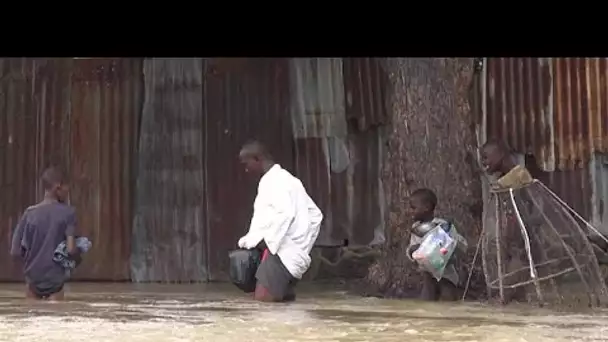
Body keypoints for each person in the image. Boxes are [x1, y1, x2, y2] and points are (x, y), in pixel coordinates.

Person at [237, 140, 323, 302]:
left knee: (263, 309)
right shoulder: (290, 180)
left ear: (257, 159)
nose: (246, 170)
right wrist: (302, 246)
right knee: (283, 312)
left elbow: (284, 214)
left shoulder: (274, 181)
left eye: (246, 164)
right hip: (291, 258)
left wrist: (267, 242)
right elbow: (316, 215)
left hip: (279, 257)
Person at [10, 167, 79, 301]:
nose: (68, 191)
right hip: (55, 280)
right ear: (58, 187)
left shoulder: (29, 213)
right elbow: (71, 250)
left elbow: (15, 251)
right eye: (66, 187)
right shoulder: (69, 213)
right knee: (54, 319)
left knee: (32, 318)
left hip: (33, 279)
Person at [406, 188, 468, 301]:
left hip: (446, 276)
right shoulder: (416, 229)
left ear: (427, 207)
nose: (410, 211)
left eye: (413, 208)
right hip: (428, 277)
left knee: (448, 304)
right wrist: (412, 251)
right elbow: (412, 251)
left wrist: (449, 244)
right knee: (426, 305)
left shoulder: (442, 226)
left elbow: (461, 245)